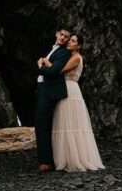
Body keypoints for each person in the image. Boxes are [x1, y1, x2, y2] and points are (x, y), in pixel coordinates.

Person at [41, 33, 105, 171]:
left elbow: (58, 71)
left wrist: (45, 62)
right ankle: (65, 157)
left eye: (73, 41)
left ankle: (74, 159)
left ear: (79, 45)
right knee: (64, 123)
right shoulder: (69, 56)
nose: (69, 42)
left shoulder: (76, 58)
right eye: (69, 40)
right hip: (65, 88)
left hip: (70, 89)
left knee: (70, 123)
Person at [34, 27, 71, 173]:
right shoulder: (54, 49)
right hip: (43, 89)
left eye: (66, 36)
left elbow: (53, 72)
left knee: (42, 124)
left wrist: (40, 66)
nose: (63, 38)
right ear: (56, 33)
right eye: (61, 34)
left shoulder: (63, 52)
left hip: (49, 91)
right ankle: (46, 159)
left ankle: (46, 162)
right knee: (41, 124)